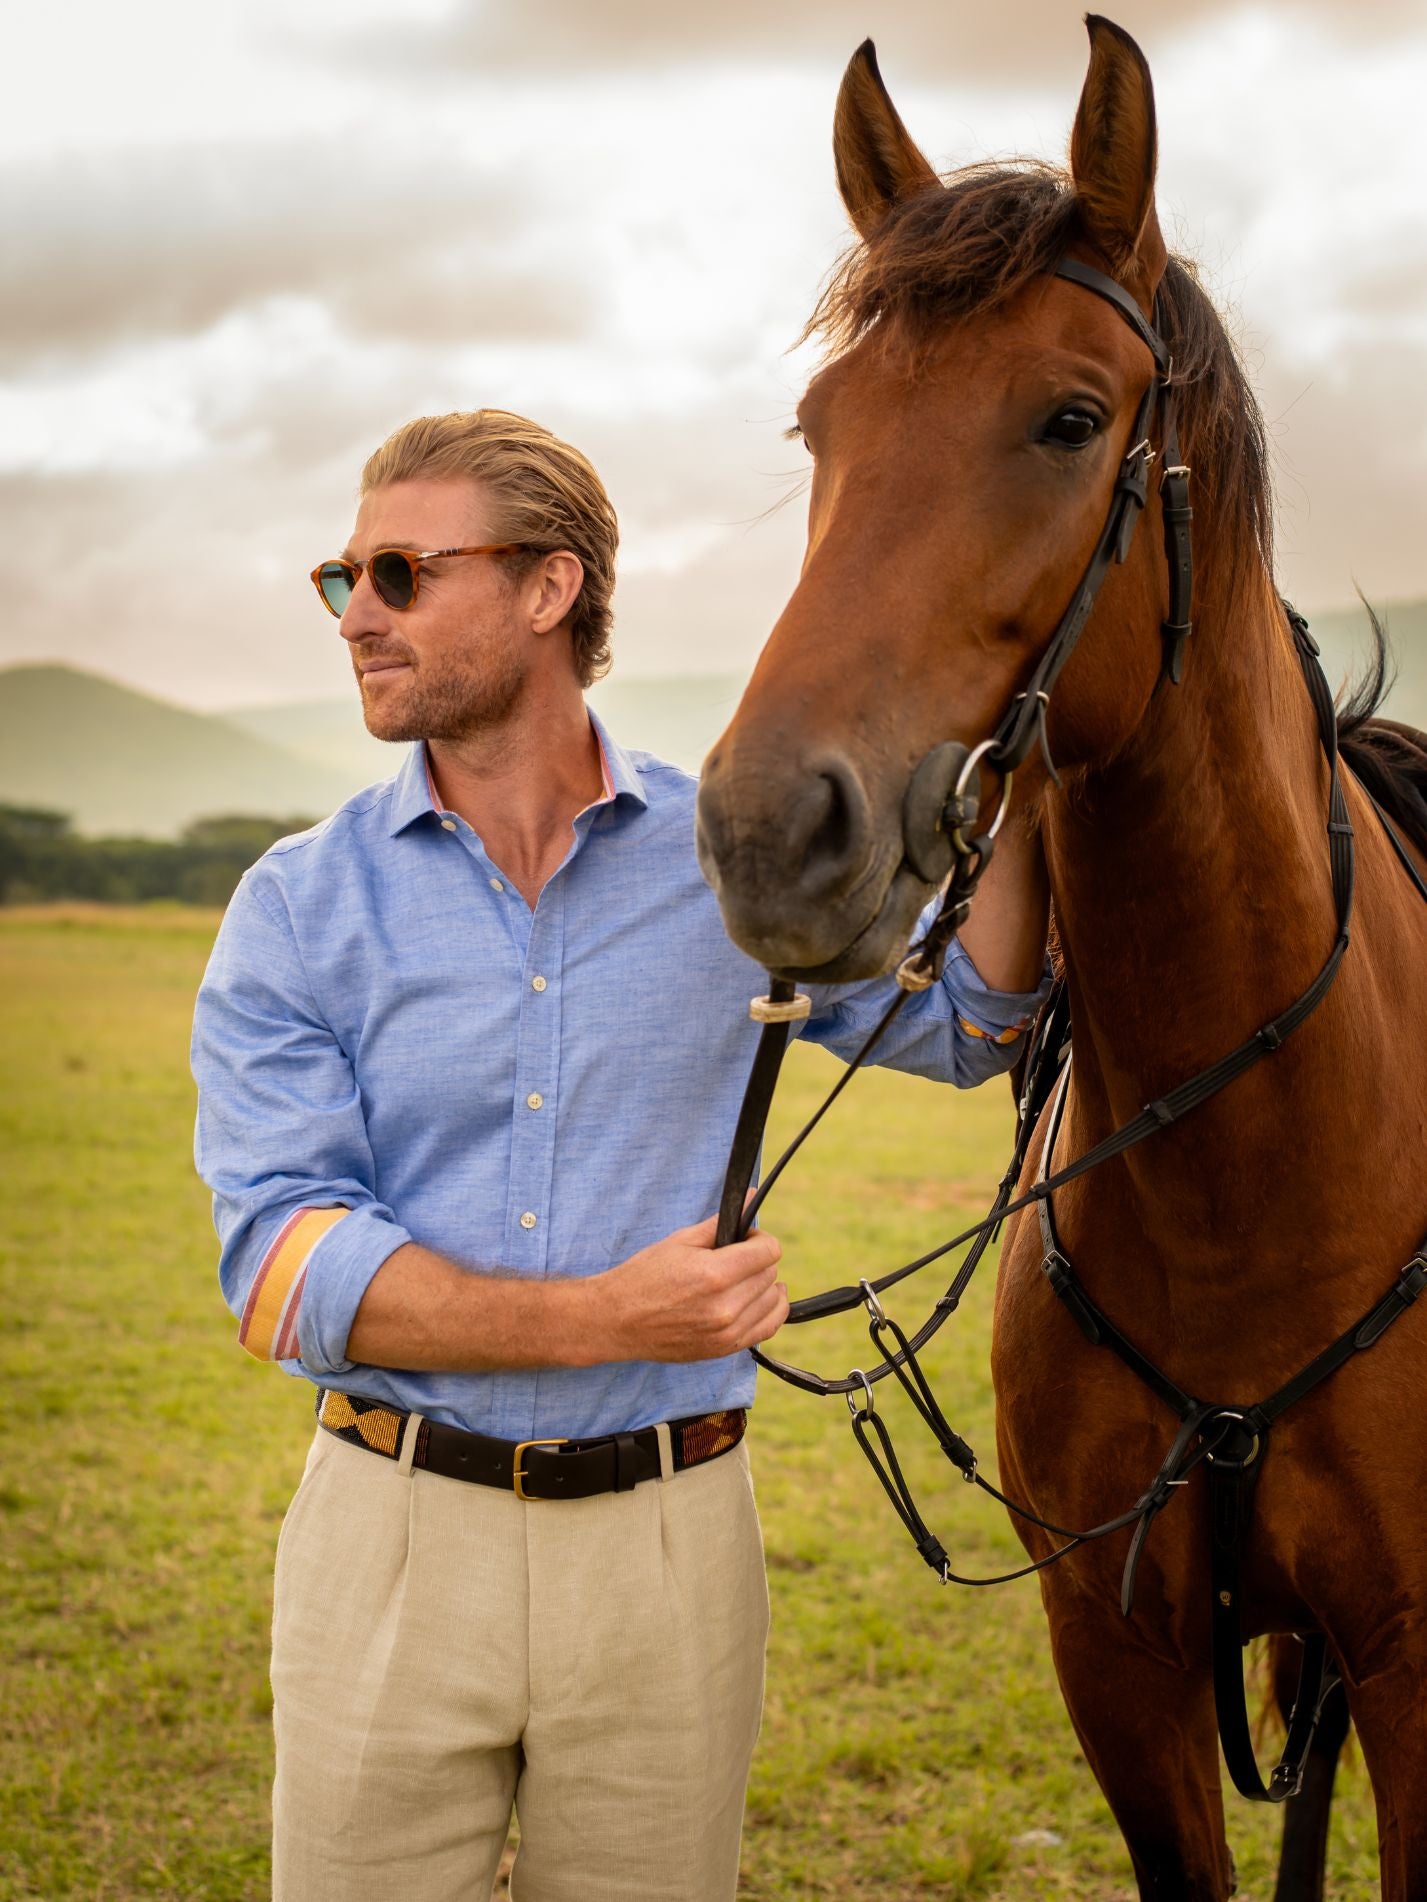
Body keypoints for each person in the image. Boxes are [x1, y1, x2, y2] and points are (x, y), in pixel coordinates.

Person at [190, 408, 1050, 1902]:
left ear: (549, 589)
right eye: (344, 583)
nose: (361, 617)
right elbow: (281, 1265)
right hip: (389, 1542)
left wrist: (1037, 748)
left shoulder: (731, 859)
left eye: (398, 571)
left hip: (671, 1553)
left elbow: (975, 1025)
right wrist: (613, 1318)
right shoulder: (296, 906)